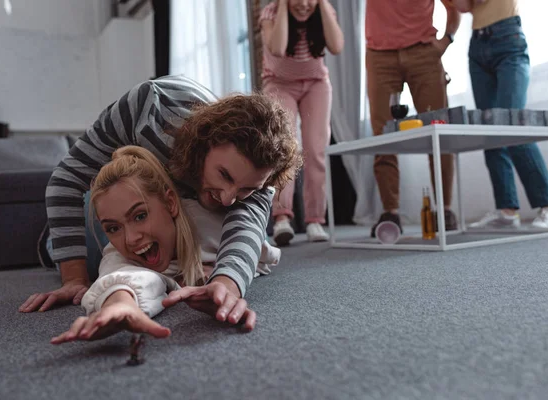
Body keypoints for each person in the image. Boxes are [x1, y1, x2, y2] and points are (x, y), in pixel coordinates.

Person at [19, 76, 302, 328]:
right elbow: (66, 180)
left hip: (167, 210)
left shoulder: (260, 174)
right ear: (205, 142)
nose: (229, 198)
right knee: (98, 247)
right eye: (224, 175)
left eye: (246, 190)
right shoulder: (150, 109)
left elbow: (247, 227)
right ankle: (48, 240)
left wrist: (226, 285)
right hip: (109, 206)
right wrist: (74, 279)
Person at [51, 146, 282, 344]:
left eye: (140, 216)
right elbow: (120, 277)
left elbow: (265, 256)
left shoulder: (211, 224)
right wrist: (119, 304)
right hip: (89, 241)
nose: (131, 239)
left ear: (171, 203)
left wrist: (221, 277)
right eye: (113, 228)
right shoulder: (117, 250)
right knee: (52, 248)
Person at [450, 0, 548, 229]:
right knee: (490, 131)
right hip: (477, 44)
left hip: (508, 37)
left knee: (511, 125)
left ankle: (547, 204)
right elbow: (464, 6)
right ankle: (506, 209)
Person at [365, 0, 461, 236]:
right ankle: (391, 212)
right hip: (379, 56)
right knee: (382, 134)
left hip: (423, 53)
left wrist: (446, 39)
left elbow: (455, 6)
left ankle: (445, 210)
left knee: (439, 130)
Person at [259, 0, 344, 246]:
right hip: (279, 83)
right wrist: (284, 7)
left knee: (316, 150)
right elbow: (277, 47)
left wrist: (323, 6)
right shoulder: (270, 13)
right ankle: (282, 217)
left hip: (316, 84)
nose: (304, 4)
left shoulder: (323, 11)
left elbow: (337, 46)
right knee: (283, 149)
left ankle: (315, 219)